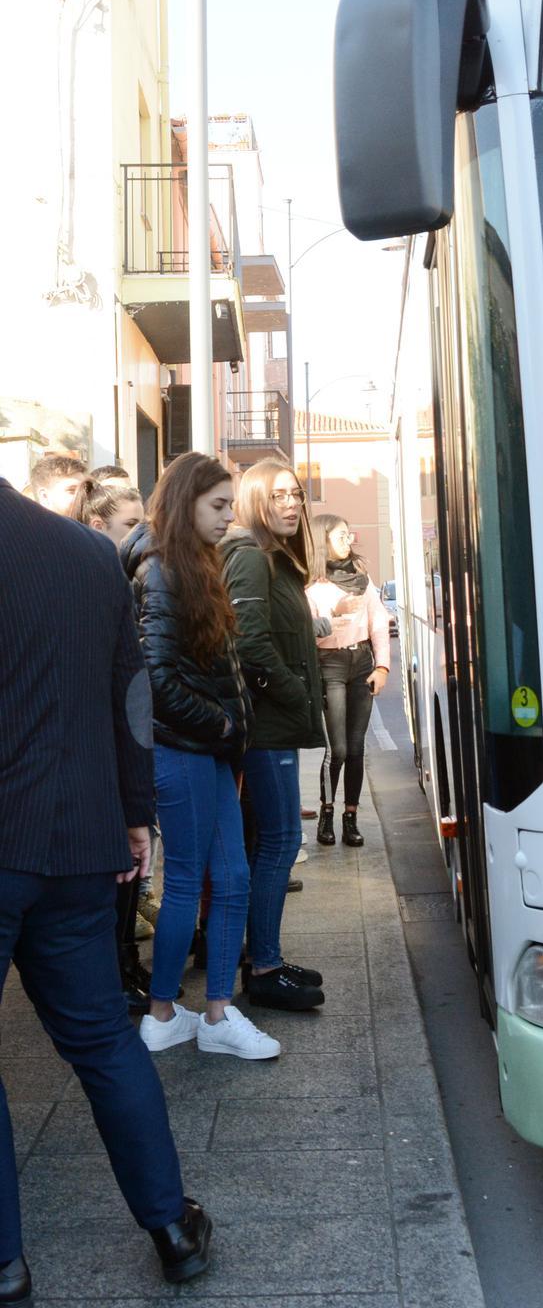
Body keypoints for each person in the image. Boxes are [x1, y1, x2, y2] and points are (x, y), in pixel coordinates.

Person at [0, 477, 212, 1300]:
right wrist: (132, 813)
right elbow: (132, 698)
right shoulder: (89, 552)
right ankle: (170, 1228)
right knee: (101, 1041)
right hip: (78, 840)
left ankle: (7, 1263)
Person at [121, 452, 280, 1061]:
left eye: (228, 506)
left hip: (203, 748)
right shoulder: (161, 568)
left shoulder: (188, 563)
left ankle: (212, 1012)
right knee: (189, 880)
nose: (226, 518)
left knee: (232, 876)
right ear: (185, 500)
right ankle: (166, 1013)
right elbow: (155, 675)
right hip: (182, 748)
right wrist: (220, 723)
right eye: (217, 506)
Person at [220, 459, 326, 1011]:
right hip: (266, 727)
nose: (292, 504)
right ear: (257, 500)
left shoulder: (277, 561)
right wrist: (296, 694)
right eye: (280, 495)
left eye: (298, 494)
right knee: (281, 840)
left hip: (275, 726)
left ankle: (265, 958)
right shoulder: (252, 558)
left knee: (276, 840)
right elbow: (248, 642)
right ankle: (262, 966)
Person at [68, 476, 152, 1013]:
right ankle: (116, 969)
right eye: (130, 525)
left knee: (128, 875)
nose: (141, 532)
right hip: (100, 758)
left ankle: (124, 962)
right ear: (99, 527)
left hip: (114, 757)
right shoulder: (95, 576)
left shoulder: (119, 574)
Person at [306, 515, 390, 847]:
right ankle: (326, 814)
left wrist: (381, 666)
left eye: (348, 534)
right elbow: (307, 634)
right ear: (322, 539)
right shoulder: (311, 585)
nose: (347, 540)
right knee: (336, 750)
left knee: (357, 749)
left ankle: (350, 818)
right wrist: (336, 613)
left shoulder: (362, 579)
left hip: (361, 664)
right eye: (340, 535)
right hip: (330, 665)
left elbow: (379, 622)